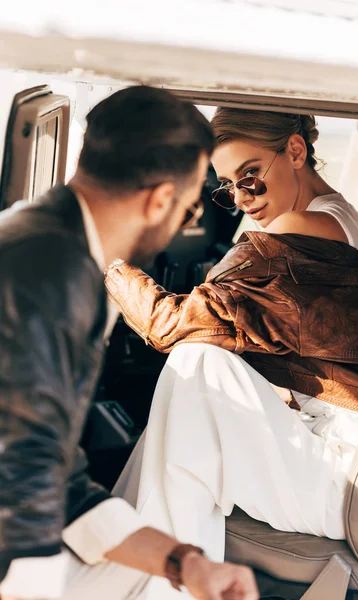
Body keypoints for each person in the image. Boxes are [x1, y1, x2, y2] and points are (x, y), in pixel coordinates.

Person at [105, 108, 358, 598]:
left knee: (194, 363)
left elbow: (171, 326)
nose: (242, 200)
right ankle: (138, 568)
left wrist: (106, 257)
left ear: (296, 151)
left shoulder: (297, 231)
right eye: (226, 189)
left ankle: (139, 573)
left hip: (346, 487)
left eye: (250, 179)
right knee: (202, 383)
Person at [0, 88, 259, 600]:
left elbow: (59, 476)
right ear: (160, 199)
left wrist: (186, 564)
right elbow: (21, 472)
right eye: (188, 210)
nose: (184, 224)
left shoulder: (45, 238)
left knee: (159, 580)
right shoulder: (52, 272)